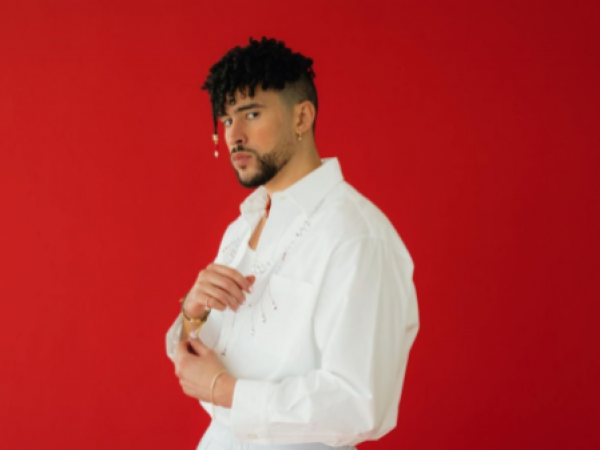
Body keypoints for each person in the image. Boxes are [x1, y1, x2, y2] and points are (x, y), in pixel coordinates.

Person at [166, 37, 419, 450]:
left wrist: (225, 390)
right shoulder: (241, 228)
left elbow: (360, 402)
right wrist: (192, 313)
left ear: (302, 117)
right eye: (226, 121)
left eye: (251, 114)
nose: (234, 136)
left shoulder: (357, 236)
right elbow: (199, 363)